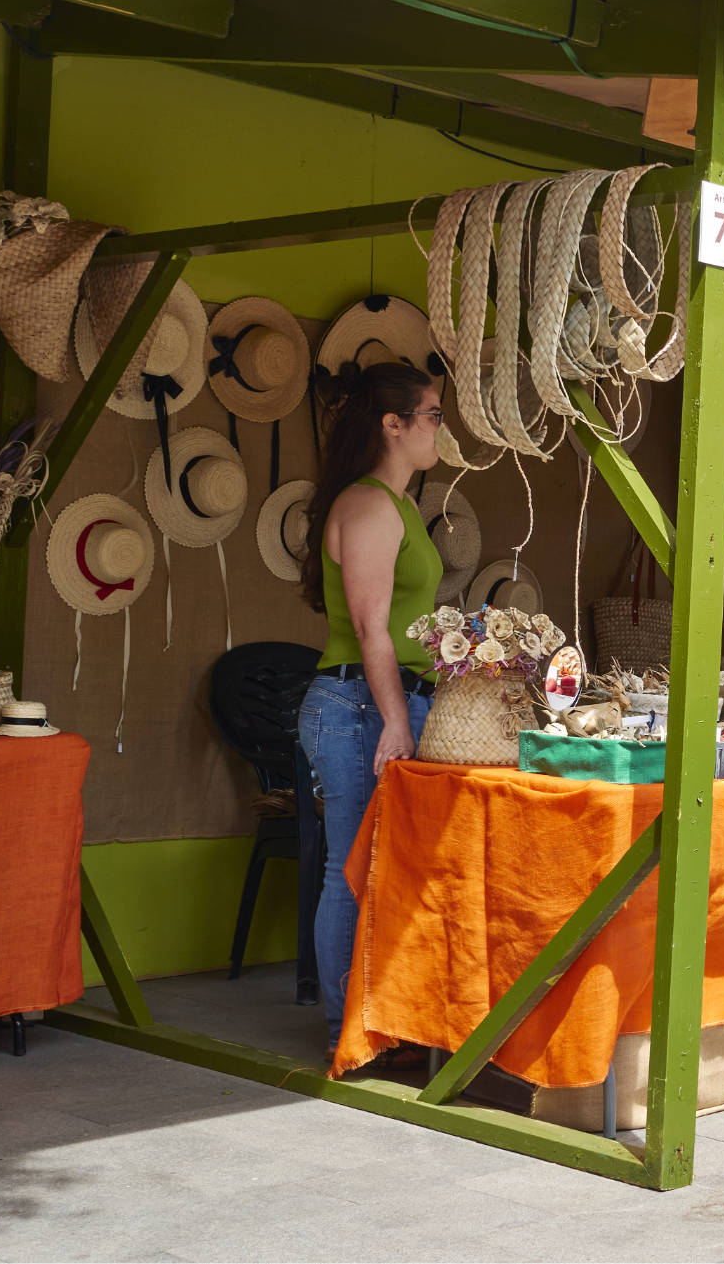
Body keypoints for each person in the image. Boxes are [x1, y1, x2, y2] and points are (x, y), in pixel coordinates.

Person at [297, 363, 443, 1063]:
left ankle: (377, 1022)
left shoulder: (400, 505)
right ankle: (344, 1035)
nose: (440, 427)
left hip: (377, 698)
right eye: (434, 414)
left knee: (378, 869)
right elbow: (370, 624)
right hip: (357, 702)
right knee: (350, 869)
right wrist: (395, 718)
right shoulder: (369, 506)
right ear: (395, 424)